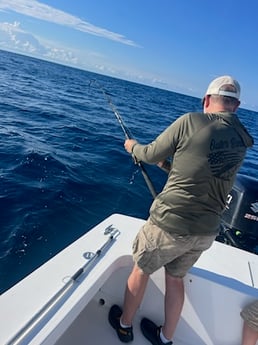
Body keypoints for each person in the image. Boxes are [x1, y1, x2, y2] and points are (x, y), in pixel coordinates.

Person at [108, 76, 254, 345]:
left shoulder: (191, 121)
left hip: (170, 224)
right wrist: (168, 166)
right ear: (237, 105)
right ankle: (166, 338)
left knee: (141, 269)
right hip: (207, 231)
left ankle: (125, 325)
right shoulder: (242, 139)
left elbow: (149, 153)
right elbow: (206, 171)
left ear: (207, 100)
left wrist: (133, 148)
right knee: (175, 280)